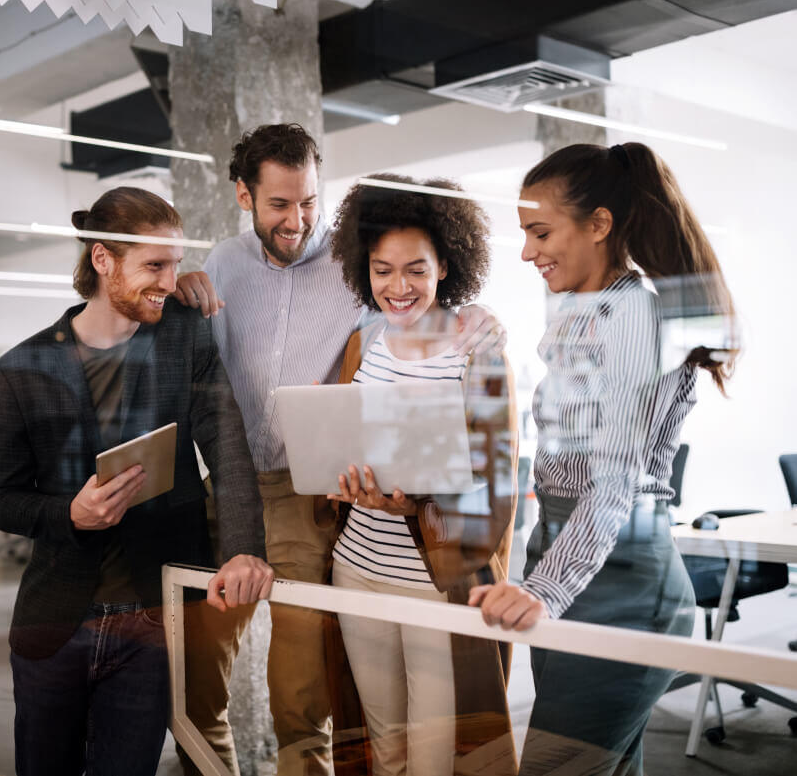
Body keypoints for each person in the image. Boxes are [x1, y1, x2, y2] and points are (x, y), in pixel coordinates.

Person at [173, 124, 503, 776]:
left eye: (309, 201)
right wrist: (182, 289)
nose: (297, 220)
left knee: (300, 687)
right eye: (279, 204)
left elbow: (413, 306)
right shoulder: (222, 263)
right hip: (232, 484)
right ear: (244, 195)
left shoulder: (351, 267)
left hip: (309, 492)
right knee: (192, 680)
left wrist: (477, 312)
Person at [0, 187, 274, 776]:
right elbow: (1, 498)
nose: (171, 280)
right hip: (57, 621)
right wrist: (70, 514)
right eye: (155, 265)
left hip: (153, 620)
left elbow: (228, 448)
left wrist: (244, 550)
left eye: (174, 264)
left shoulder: (183, 337)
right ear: (101, 261)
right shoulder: (21, 368)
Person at [468, 142, 738, 775]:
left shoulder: (632, 317)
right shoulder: (587, 312)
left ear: (598, 225)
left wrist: (544, 590)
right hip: (578, 562)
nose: (529, 251)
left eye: (540, 232)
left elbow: (615, 480)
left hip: (619, 580)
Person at [324, 174, 518, 776]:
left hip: (435, 580)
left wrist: (412, 502)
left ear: (445, 266)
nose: (398, 287)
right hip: (356, 570)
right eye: (382, 270)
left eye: (415, 269)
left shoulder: (477, 351)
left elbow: (496, 481)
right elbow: (342, 433)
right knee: (382, 748)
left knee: (435, 758)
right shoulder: (363, 343)